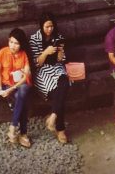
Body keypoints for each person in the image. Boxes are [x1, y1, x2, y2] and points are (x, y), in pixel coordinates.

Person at [29, 13, 70, 144]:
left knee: (64, 82)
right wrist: (46, 52)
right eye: (47, 27)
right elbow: (36, 63)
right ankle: (60, 128)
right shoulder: (34, 39)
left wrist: (60, 52)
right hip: (42, 71)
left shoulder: (58, 37)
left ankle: (53, 117)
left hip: (56, 67)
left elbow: (61, 60)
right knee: (56, 93)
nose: (49, 29)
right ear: (41, 26)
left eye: (51, 26)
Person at [0, 28, 33, 147]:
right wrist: (0, 87)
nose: (13, 45)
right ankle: (23, 133)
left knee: (23, 90)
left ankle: (13, 127)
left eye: (16, 43)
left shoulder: (24, 55)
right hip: (7, 84)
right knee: (22, 99)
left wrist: (10, 90)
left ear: (21, 44)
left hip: (21, 84)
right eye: (11, 42)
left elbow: (26, 77)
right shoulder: (2, 52)